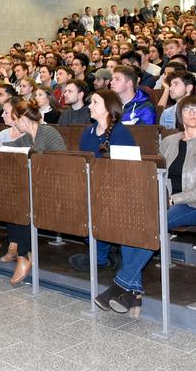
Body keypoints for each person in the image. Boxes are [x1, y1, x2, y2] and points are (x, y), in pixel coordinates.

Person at [95, 97, 196, 316]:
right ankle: (132, 294)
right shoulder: (170, 141)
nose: (191, 113)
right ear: (180, 117)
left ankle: (119, 285)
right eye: (187, 110)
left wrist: (175, 199)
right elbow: (157, 173)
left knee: (154, 223)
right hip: (165, 202)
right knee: (134, 223)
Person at [67, 90, 137, 272]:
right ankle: (104, 251)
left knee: (98, 205)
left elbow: (128, 171)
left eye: (95, 102)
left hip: (117, 189)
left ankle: (101, 255)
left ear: (108, 107)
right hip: (93, 187)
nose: (89, 106)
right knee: (70, 204)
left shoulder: (121, 132)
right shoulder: (88, 132)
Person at [3, 100, 67, 284]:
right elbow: (9, 147)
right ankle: (19, 249)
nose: (14, 123)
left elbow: (61, 162)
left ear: (24, 118)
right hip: (38, 187)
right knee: (15, 197)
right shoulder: (27, 137)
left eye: (16, 119)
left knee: (23, 201)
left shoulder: (47, 132)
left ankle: (24, 255)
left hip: (55, 187)